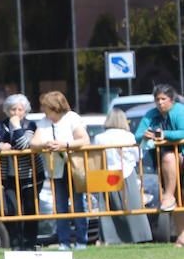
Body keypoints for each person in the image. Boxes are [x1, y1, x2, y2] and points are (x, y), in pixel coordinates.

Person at [31, 90, 89, 250]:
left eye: (45, 106)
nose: (43, 109)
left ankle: (81, 241)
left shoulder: (72, 118)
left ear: (54, 106)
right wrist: (44, 145)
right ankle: (64, 241)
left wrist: (64, 144)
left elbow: (84, 139)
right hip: (55, 169)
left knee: (79, 204)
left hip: (74, 167)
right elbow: (33, 143)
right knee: (60, 206)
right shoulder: (43, 122)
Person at [0, 93, 41, 251]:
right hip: (9, 176)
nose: (16, 112)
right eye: (13, 109)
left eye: (20, 109)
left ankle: (30, 243)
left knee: (31, 210)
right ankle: (16, 245)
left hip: (31, 176)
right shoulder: (0, 125)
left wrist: (16, 126)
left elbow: (23, 145)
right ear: (7, 110)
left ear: (25, 111)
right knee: (13, 210)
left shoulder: (31, 125)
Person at [98, 109, 152, 245]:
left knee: (108, 209)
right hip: (126, 172)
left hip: (106, 174)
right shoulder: (128, 136)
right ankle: (140, 236)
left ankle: (110, 238)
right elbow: (137, 155)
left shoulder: (100, 137)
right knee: (133, 206)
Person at [134, 85, 184, 231]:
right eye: (157, 99)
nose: (160, 103)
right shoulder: (151, 114)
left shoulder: (179, 111)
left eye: (163, 99)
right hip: (163, 164)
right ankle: (182, 235)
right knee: (177, 199)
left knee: (169, 157)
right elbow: (137, 136)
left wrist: (165, 134)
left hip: (180, 157)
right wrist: (145, 135)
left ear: (172, 100)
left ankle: (168, 196)